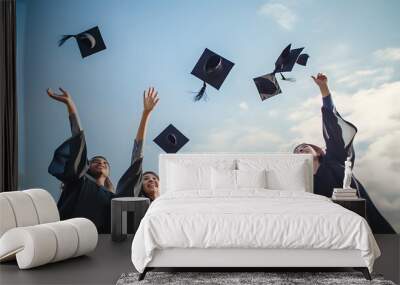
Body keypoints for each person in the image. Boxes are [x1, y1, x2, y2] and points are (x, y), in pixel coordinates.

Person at [293, 73, 395, 234]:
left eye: (304, 146)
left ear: (317, 151)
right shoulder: (301, 184)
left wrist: (323, 88)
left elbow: (333, 127)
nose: (300, 150)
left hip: (364, 221)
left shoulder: (334, 159)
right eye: (296, 151)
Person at [47, 87, 159, 233]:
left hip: (102, 245)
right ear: (86, 167)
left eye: (105, 163)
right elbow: (79, 143)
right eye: (96, 161)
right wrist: (70, 105)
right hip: (68, 237)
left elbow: (136, 160)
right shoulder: (78, 182)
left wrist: (145, 115)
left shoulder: (115, 200)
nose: (101, 163)